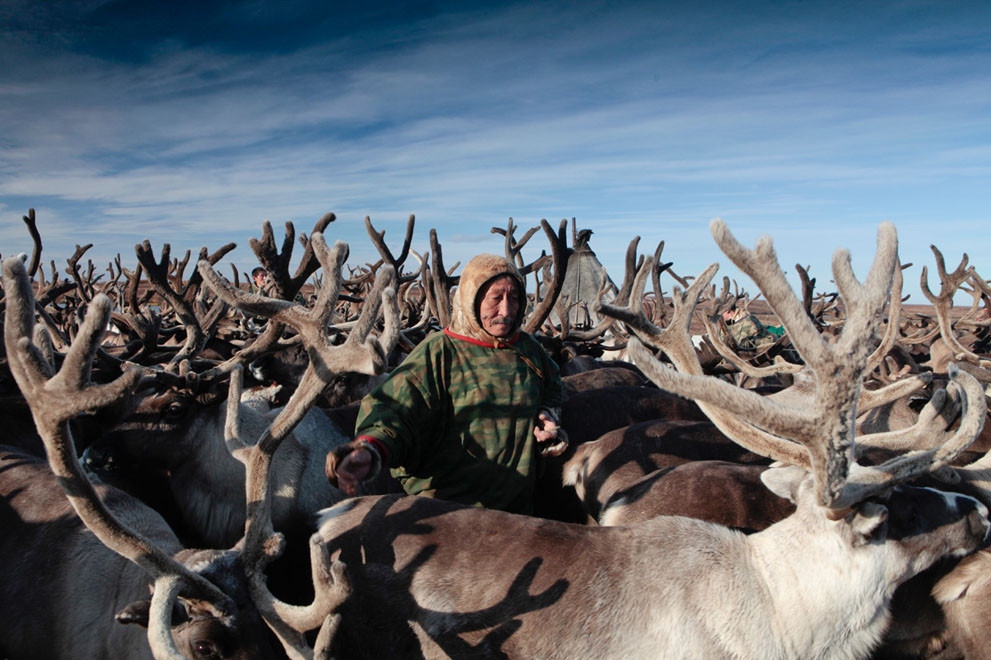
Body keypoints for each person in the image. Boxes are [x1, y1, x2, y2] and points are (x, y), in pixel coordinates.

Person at [326, 254, 566, 514]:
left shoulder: (528, 349)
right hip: (448, 514)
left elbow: (552, 386)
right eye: (496, 298)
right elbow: (394, 410)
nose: (506, 311)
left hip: (516, 514)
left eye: (514, 298)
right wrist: (370, 448)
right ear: (472, 299)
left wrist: (547, 413)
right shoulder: (439, 351)